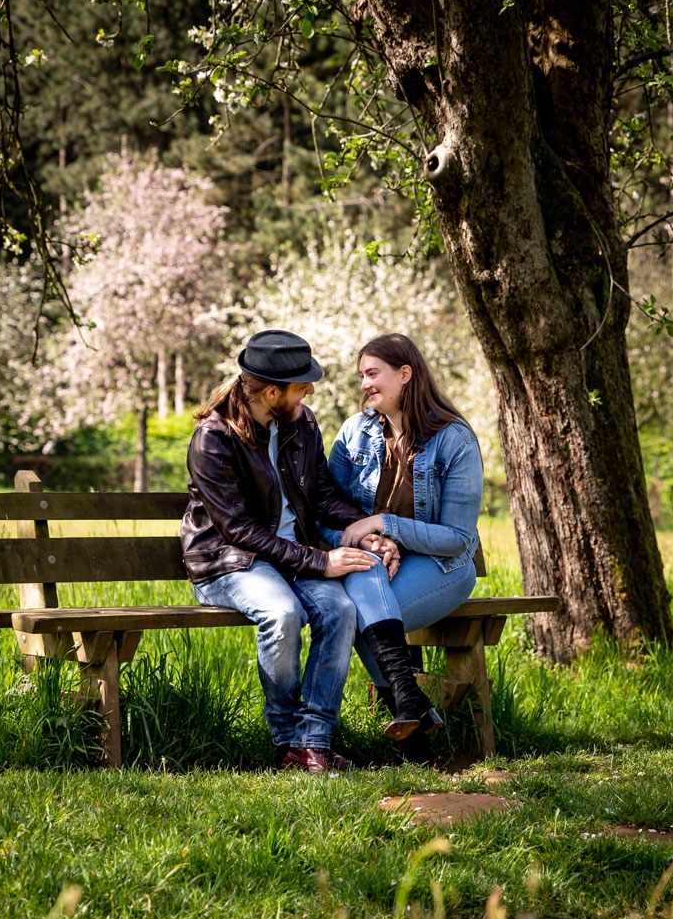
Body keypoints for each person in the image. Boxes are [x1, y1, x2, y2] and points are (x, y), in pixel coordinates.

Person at [182, 329, 384, 772]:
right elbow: (237, 529)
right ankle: (287, 740)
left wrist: (364, 529)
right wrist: (320, 561)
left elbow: (323, 494)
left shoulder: (301, 422)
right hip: (230, 562)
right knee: (282, 614)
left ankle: (313, 744)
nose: (310, 390)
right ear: (273, 392)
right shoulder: (213, 437)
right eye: (301, 384)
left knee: (341, 611)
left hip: (290, 557)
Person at [326, 333, 484, 743]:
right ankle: (412, 707)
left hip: (443, 566)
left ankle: (407, 710)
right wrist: (369, 542)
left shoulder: (455, 440)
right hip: (377, 565)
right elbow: (322, 512)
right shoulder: (354, 434)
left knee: (361, 617)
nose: (364, 385)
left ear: (405, 374)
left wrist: (385, 526)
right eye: (361, 376)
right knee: (363, 579)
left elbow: (458, 539)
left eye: (373, 374)